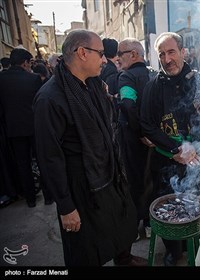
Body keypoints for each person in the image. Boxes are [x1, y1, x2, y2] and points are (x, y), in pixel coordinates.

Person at [33, 29, 147, 266]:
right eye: (101, 54)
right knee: (84, 245)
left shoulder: (94, 84)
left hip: (109, 171)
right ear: (82, 53)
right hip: (81, 184)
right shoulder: (50, 98)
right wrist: (66, 206)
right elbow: (49, 157)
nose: (106, 60)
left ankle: (124, 258)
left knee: (121, 221)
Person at [140, 32, 200, 266]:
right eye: (161, 54)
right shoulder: (152, 87)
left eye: (171, 52)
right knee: (170, 211)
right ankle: (173, 252)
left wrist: (195, 147)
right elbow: (147, 124)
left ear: (183, 52)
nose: (167, 59)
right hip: (167, 162)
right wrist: (177, 148)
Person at [116, 37, 153, 239]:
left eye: (121, 54)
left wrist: (139, 134)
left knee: (133, 180)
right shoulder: (153, 76)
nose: (117, 58)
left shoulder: (126, 77)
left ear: (133, 54)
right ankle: (149, 223)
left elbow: (128, 105)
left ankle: (135, 226)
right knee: (149, 179)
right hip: (152, 138)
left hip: (132, 136)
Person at [0, 48, 43, 208]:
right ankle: (49, 196)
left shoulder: (1, 79)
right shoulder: (33, 79)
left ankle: (30, 199)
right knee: (41, 160)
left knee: (22, 164)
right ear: (25, 63)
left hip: (13, 129)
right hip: (34, 127)